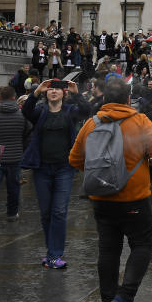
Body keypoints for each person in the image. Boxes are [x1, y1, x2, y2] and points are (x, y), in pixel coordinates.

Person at [69, 77, 152, 302]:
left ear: (103, 99)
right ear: (128, 99)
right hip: (133, 196)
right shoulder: (139, 121)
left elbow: (74, 159)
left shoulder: (91, 124)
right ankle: (124, 297)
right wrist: (142, 162)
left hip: (101, 199)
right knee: (143, 243)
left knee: (108, 250)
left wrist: (99, 175)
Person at [22, 78, 91, 269]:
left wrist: (77, 93)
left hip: (64, 168)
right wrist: (36, 93)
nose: (53, 92)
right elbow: (26, 111)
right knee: (46, 213)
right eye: (50, 89)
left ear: (63, 94)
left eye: (57, 90)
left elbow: (87, 111)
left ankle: (54, 254)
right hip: (42, 168)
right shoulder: (40, 112)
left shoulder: (70, 111)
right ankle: (51, 251)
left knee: (59, 211)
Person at [0, 86, 32, 229]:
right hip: (15, 156)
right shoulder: (21, 115)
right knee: (14, 187)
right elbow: (28, 133)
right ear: (13, 97)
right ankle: (12, 213)